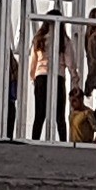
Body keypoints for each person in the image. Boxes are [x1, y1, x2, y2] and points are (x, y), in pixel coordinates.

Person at [29, 7, 77, 141]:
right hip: (58, 76)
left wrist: (33, 78)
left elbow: (33, 62)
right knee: (59, 115)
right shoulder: (64, 40)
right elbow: (70, 62)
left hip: (41, 76)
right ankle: (63, 142)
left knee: (39, 114)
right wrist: (75, 78)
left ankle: (35, 141)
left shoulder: (39, 39)